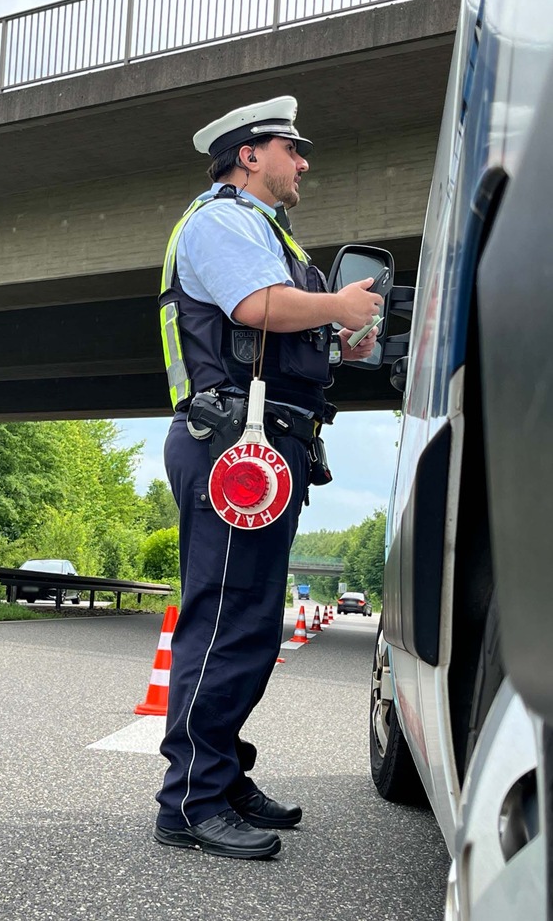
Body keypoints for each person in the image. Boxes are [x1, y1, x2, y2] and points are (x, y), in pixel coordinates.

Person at [153, 96, 382, 860]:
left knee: (247, 625)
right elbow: (255, 307)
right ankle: (190, 798)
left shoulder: (264, 231)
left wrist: (334, 338)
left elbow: (274, 328)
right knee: (224, 620)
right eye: (294, 147)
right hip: (233, 443)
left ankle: (219, 772)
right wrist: (339, 302)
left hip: (259, 440)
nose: (304, 162)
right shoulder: (224, 220)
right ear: (250, 154)